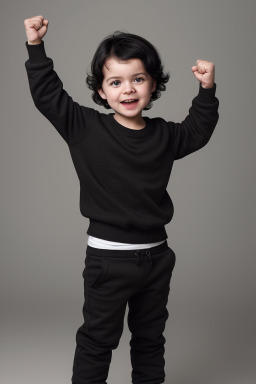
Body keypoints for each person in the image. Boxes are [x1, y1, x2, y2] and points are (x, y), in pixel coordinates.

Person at [24, 15, 219, 384]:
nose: (127, 90)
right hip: (108, 260)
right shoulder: (84, 128)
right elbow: (47, 94)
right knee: (98, 340)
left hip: (157, 258)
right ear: (101, 91)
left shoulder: (164, 134)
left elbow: (198, 130)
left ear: (153, 84)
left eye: (138, 79)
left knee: (150, 340)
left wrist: (206, 90)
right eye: (115, 82)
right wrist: (36, 47)